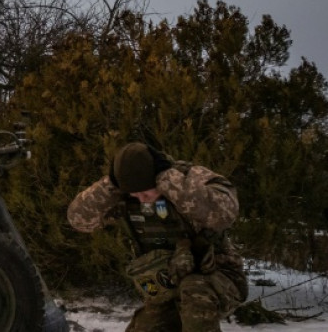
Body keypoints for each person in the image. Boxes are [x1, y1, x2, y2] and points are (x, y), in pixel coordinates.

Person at [67, 142, 248, 332]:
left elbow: (224, 214)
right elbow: (79, 220)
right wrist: (111, 184)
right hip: (166, 288)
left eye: (146, 193)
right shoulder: (125, 195)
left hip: (220, 280)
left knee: (194, 290)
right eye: (134, 195)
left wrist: (169, 182)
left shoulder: (191, 178)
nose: (142, 200)